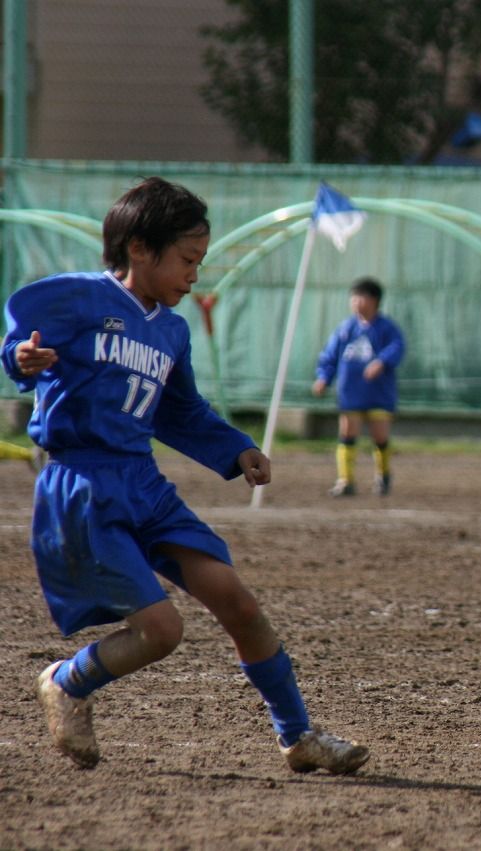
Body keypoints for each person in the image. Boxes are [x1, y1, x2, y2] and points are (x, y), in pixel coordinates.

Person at [1, 176, 370, 775]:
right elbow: (19, 343)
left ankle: (298, 736)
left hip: (143, 482)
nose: (195, 274)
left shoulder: (170, 329)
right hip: (84, 486)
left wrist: (234, 449)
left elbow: (177, 411)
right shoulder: (75, 300)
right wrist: (20, 359)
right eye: (188, 259)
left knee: (239, 605)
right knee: (163, 630)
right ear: (140, 249)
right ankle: (67, 683)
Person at [312, 276, 404, 497]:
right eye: (353, 297)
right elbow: (330, 355)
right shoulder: (346, 328)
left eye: (361, 297)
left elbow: (398, 347)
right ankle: (346, 480)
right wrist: (324, 377)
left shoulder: (386, 328)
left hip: (378, 393)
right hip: (350, 393)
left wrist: (381, 361)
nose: (356, 302)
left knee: (380, 435)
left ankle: (383, 476)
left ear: (375, 301)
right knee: (347, 432)